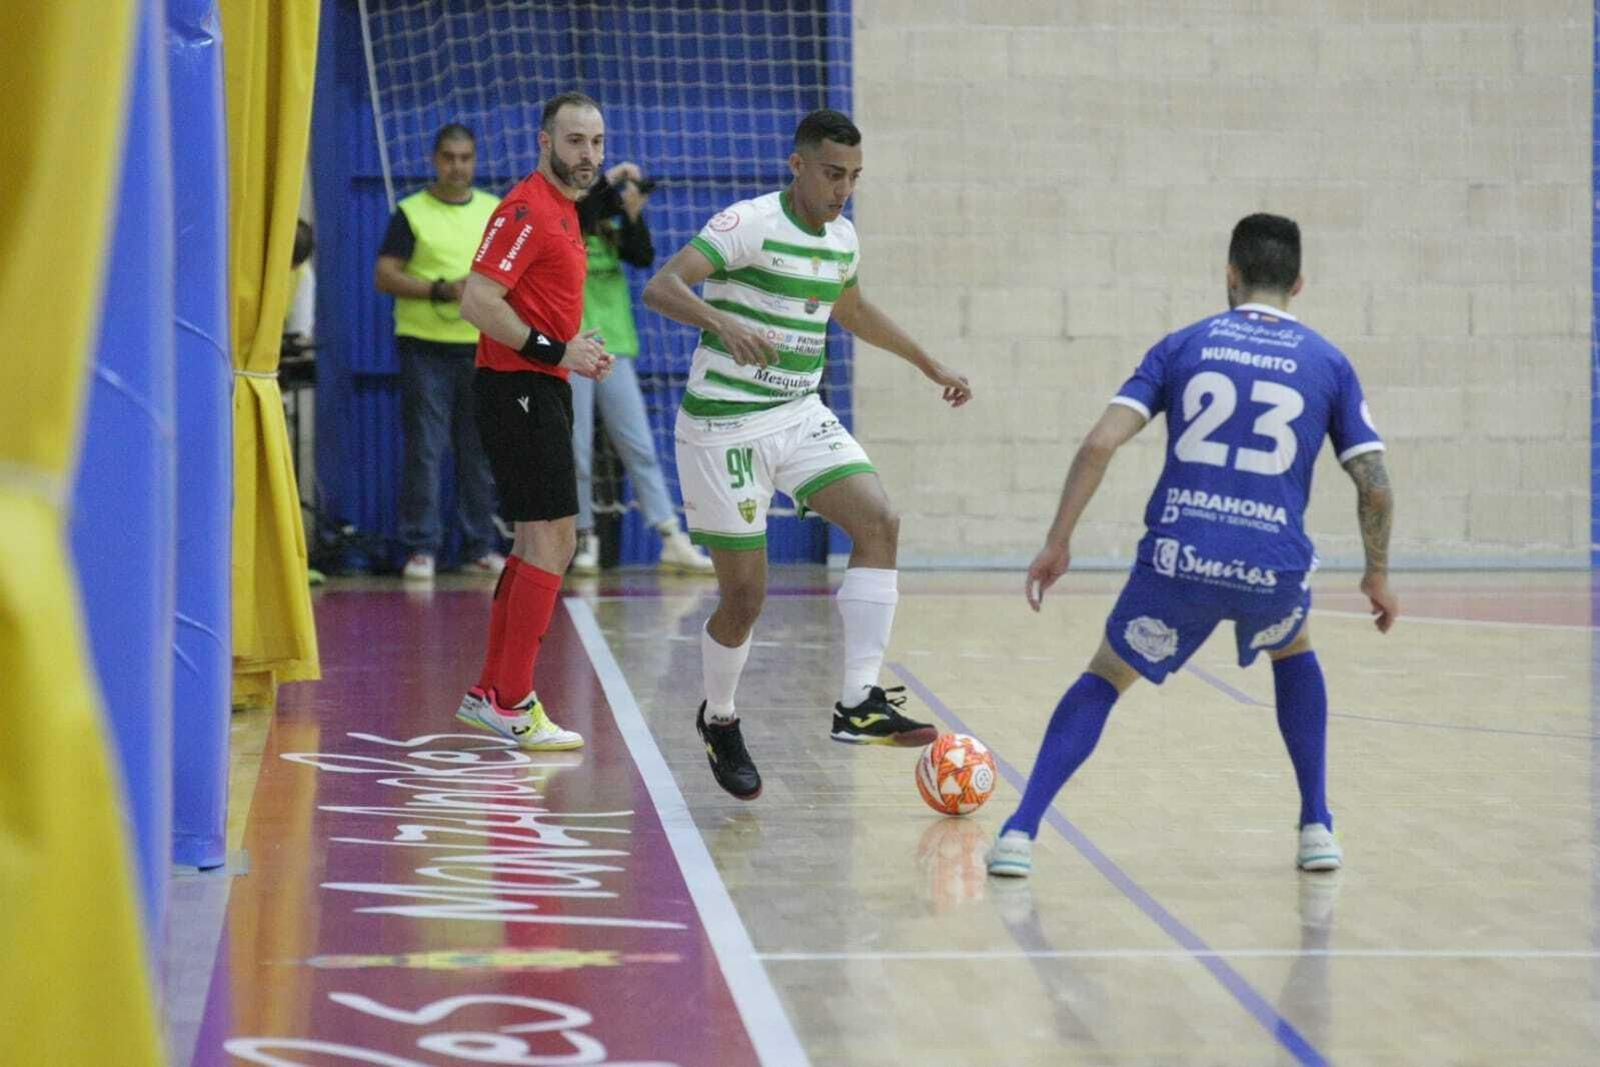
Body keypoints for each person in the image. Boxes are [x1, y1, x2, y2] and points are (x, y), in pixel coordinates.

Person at [984, 213, 1397, 878]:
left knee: (1106, 675)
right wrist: (1377, 574)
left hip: (1180, 558)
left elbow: (1099, 442)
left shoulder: (1183, 345)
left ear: (1229, 276)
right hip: (1271, 565)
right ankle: (1316, 823)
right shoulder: (1329, 362)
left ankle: (1019, 832)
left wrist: (1057, 541)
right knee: (1293, 650)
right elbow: (1374, 486)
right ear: (1298, 282)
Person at [642, 108, 973, 800]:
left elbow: (849, 310)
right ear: (798, 166)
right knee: (745, 597)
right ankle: (720, 716)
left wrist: (928, 363)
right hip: (725, 425)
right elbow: (662, 286)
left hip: (798, 413)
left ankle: (858, 700)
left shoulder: (843, 238)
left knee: (879, 521)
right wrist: (720, 319)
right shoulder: (748, 224)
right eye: (832, 174)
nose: (842, 189)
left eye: (853, 177)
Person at [452, 91, 615, 750]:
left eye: (597, 142)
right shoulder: (527, 209)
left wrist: (575, 350)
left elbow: (536, 307)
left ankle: (493, 691)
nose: (589, 155)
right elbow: (476, 301)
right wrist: (557, 351)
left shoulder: (566, 211)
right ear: (544, 142)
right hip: (518, 387)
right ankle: (513, 700)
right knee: (554, 541)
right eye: (575, 141)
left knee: (536, 541)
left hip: (536, 384)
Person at [375, 124, 506, 582]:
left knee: (480, 453)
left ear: (475, 160)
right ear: (434, 160)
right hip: (423, 348)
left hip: (481, 347)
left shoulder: (494, 211)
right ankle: (420, 548)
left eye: (465, 157)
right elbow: (385, 275)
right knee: (426, 450)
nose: (457, 166)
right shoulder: (410, 213)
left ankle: (478, 547)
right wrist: (440, 290)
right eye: (449, 157)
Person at [569, 162, 712, 575]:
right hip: (575, 344)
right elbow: (579, 215)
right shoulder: (569, 218)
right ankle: (584, 538)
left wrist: (631, 211)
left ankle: (670, 536)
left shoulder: (613, 222)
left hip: (616, 346)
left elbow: (643, 255)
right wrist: (609, 182)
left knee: (639, 445)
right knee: (576, 449)